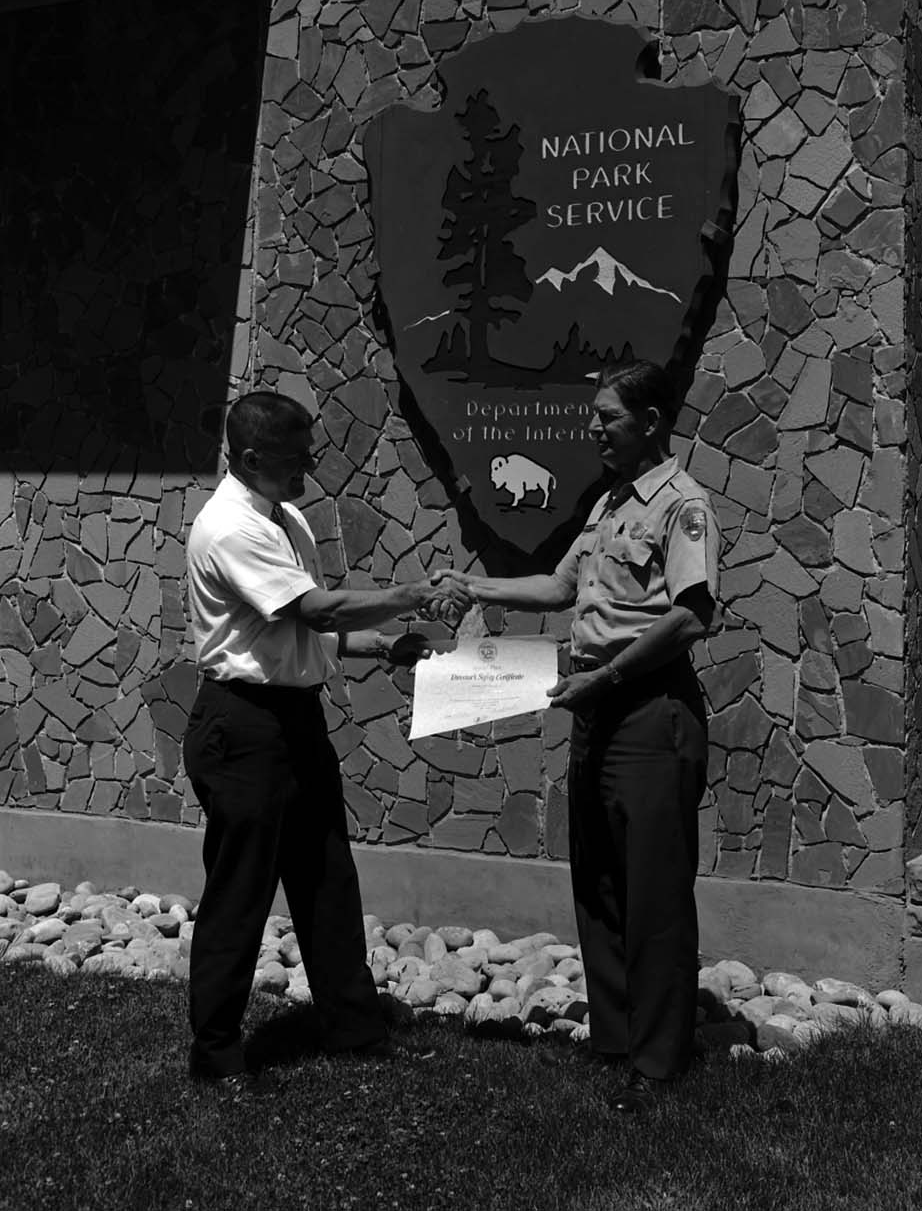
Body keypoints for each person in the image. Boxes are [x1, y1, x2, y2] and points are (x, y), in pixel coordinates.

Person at [450, 361, 719, 1115]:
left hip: (647, 710)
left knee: (653, 891)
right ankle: (614, 1038)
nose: (593, 428)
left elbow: (692, 615)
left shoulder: (683, 507)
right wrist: (474, 585)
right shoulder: (607, 504)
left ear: (653, 421)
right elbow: (561, 588)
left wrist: (602, 680)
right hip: (596, 710)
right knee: (598, 882)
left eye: (608, 416)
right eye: (594, 415)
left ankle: (658, 1062)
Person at [182, 389, 469, 1093]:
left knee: (327, 879)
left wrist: (382, 648)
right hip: (243, 726)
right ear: (251, 458)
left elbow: (301, 627)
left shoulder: (289, 518)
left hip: (294, 722)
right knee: (240, 892)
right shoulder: (229, 527)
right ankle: (216, 1054)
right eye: (296, 454)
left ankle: (354, 1028)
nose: (312, 462)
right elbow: (311, 606)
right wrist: (412, 595)